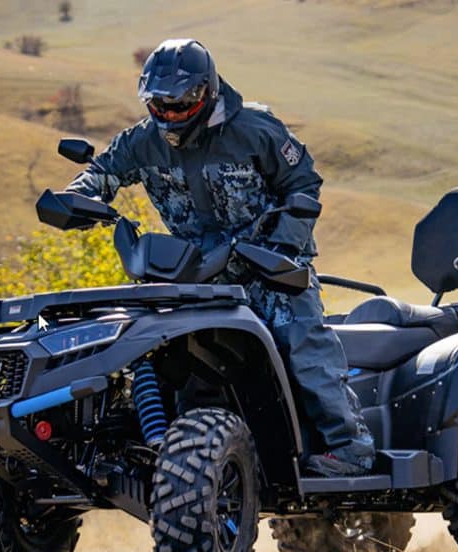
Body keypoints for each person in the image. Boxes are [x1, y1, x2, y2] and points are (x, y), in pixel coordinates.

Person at [66, 39, 375, 476]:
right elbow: (102, 172)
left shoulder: (256, 129)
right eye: (159, 104)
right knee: (173, 363)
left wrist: (283, 244)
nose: (169, 114)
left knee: (303, 346)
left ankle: (351, 449)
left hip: (269, 270)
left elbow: (304, 184)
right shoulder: (143, 141)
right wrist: (77, 197)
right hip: (196, 277)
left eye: (180, 103)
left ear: (206, 92)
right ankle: (191, 464)